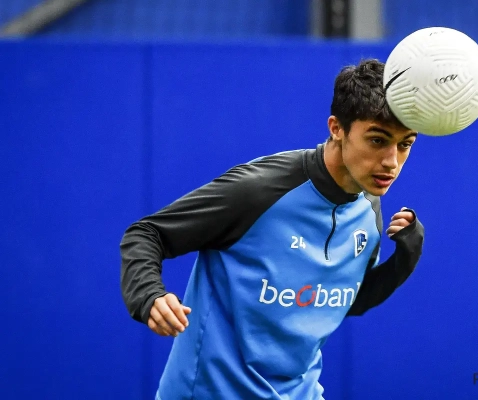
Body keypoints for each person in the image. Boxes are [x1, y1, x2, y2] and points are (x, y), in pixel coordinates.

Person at [120, 58, 425, 400]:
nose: (391, 162)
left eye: (405, 144)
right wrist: (150, 295)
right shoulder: (259, 190)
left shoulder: (369, 206)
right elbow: (147, 234)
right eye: (377, 140)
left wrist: (405, 258)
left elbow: (347, 301)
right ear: (336, 128)